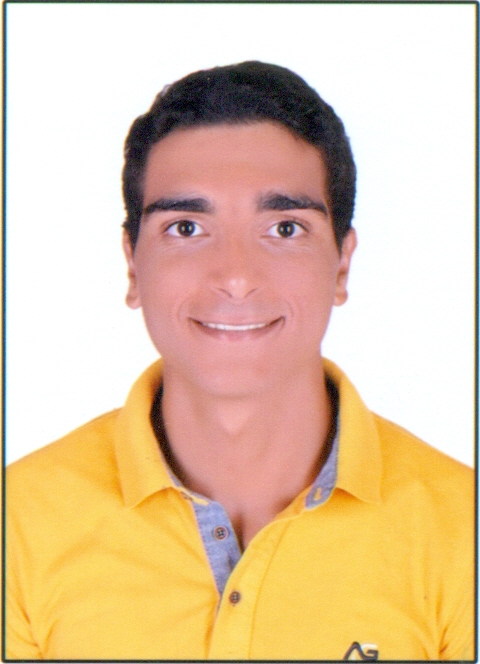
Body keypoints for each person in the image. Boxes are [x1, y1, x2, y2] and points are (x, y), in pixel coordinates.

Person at [6, 61, 474, 661]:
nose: (235, 276)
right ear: (132, 265)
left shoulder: (463, 532)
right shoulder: (17, 526)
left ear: (341, 264)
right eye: (185, 227)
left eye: (284, 228)